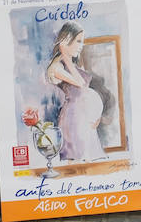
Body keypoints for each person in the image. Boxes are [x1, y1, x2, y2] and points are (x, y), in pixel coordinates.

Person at [45, 22, 105, 162]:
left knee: (88, 162)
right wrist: (65, 56)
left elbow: (86, 93)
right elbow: (81, 84)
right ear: (66, 40)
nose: (81, 45)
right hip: (73, 119)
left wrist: (96, 115)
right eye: (78, 41)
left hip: (85, 119)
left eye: (82, 41)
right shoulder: (57, 66)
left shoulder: (73, 64)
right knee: (76, 162)